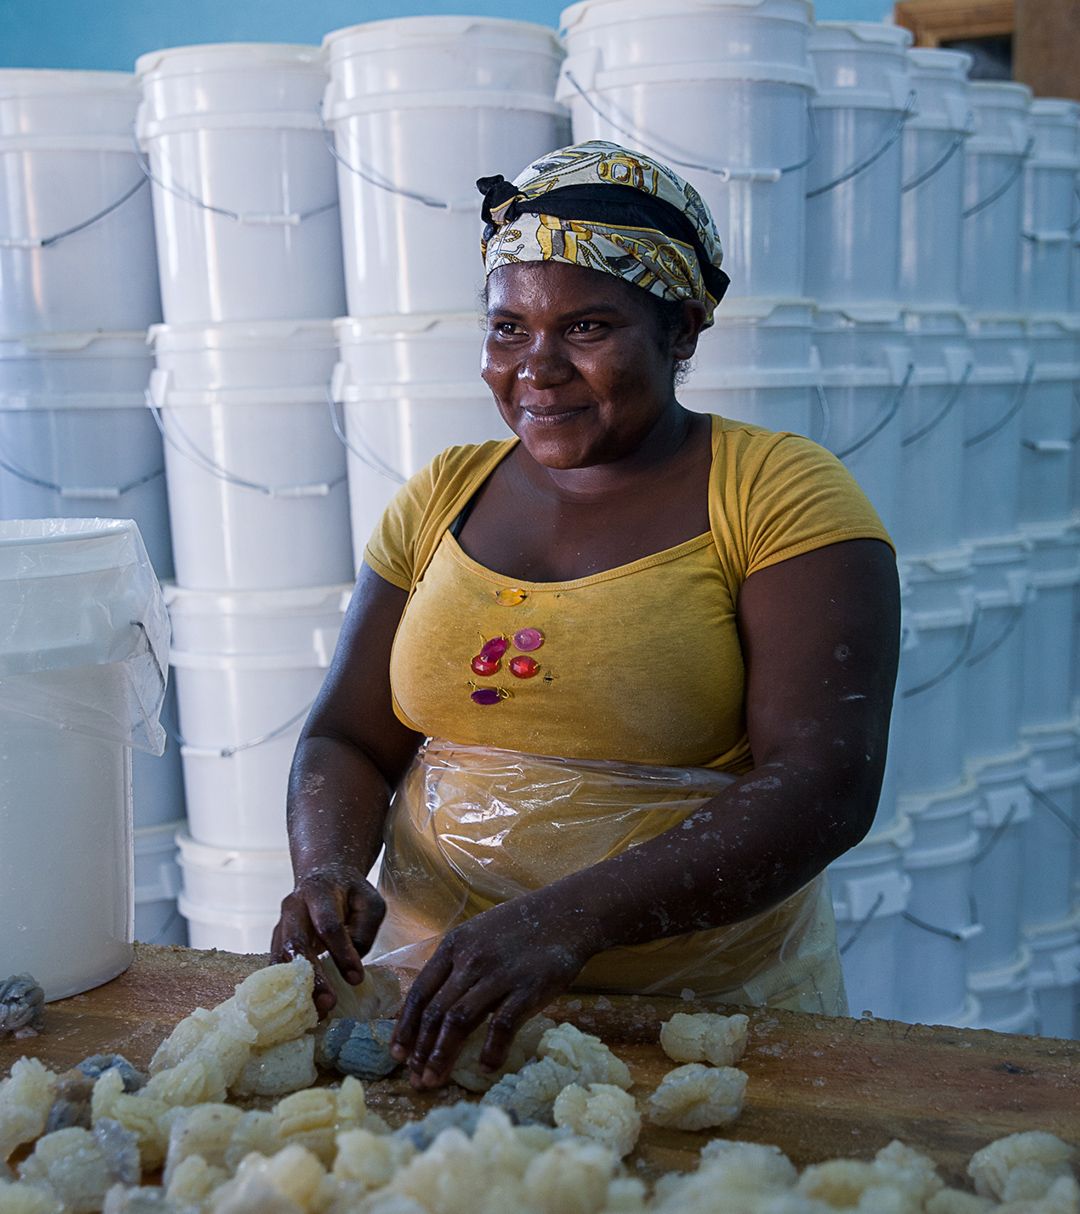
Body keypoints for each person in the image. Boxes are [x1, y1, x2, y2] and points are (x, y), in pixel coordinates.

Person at [271, 140, 900, 1092]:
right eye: (508, 328)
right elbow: (349, 737)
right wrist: (326, 870)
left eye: (589, 327)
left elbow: (823, 783)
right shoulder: (444, 493)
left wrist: (560, 921)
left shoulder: (778, 494)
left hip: (701, 1029)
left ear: (682, 329)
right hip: (438, 1005)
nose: (538, 368)